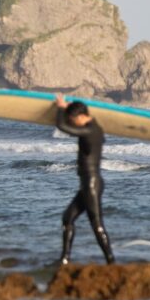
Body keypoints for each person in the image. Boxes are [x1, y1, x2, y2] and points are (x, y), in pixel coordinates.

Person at [54, 93, 115, 265]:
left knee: (96, 223)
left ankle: (110, 260)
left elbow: (62, 126)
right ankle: (65, 259)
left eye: (74, 120)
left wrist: (60, 107)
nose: (72, 123)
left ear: (81, 116)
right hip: (87, 184)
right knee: (67, 218)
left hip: (92, 183)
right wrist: (67, 109)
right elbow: (68, 125)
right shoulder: (94, 128)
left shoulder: (90, 130)